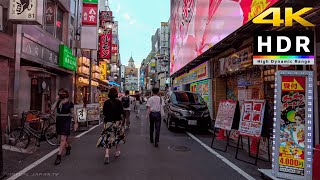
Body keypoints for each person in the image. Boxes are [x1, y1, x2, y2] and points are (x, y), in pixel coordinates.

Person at [51, 88, 78, 165]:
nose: (61, 94)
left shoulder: (70, 103)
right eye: (60, 93)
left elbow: (73, 113)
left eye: (62, 93)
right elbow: (52, 109)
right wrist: (56, 100)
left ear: (66, 94)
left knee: (63, 138)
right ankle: (68, 147)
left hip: (66, 120)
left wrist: (76, 123)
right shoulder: (58, 102)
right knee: (61, 138)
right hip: (59, 120)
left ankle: (58, 156)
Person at [98, 87, 125, 164]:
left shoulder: (106, 102)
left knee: (108, 137)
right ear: (116, 94)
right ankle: (116, 151)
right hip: (117, 121)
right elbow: (122, 112)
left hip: (108, 122)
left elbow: (104, 113)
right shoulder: (119, 102)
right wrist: (123, 122)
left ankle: (107, 154)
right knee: (117, 136)